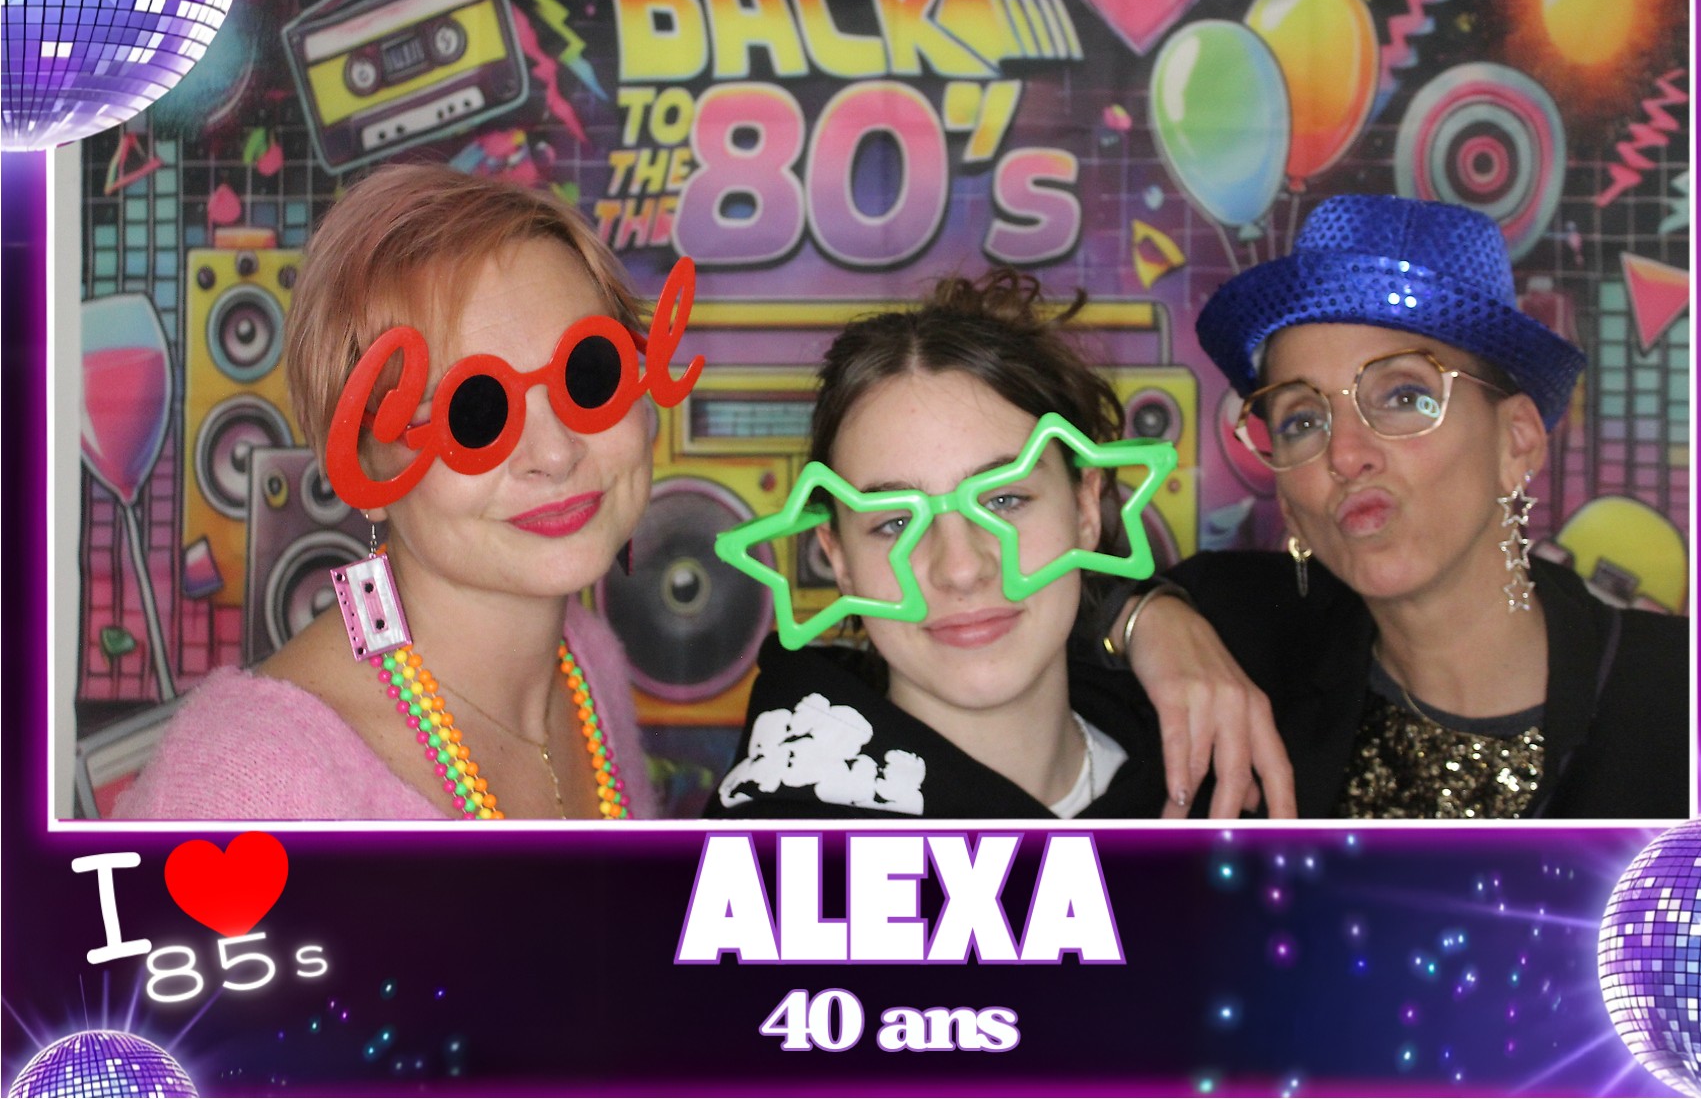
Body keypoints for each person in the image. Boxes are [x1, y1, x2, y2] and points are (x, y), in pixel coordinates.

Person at [115, 165, 682, 819]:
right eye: (475, 416)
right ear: (363, 468)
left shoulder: (590, 666)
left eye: (590, 375)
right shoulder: (244, 784)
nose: (555, 454)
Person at [1123, 194, 1688, 818]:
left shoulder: (1698, 701)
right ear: (1285, 492)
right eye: (1302, 420)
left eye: (1404, 397)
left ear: (1517, 441)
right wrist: (1143, 623)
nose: (1345, 455)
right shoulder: (1235, 632)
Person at [706, 270, 1180, 819]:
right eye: (895, 523)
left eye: (1004, 499)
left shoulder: (1220, 775)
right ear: (839, 558)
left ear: (1085, 510)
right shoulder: (769, 855)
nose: (960, 569)